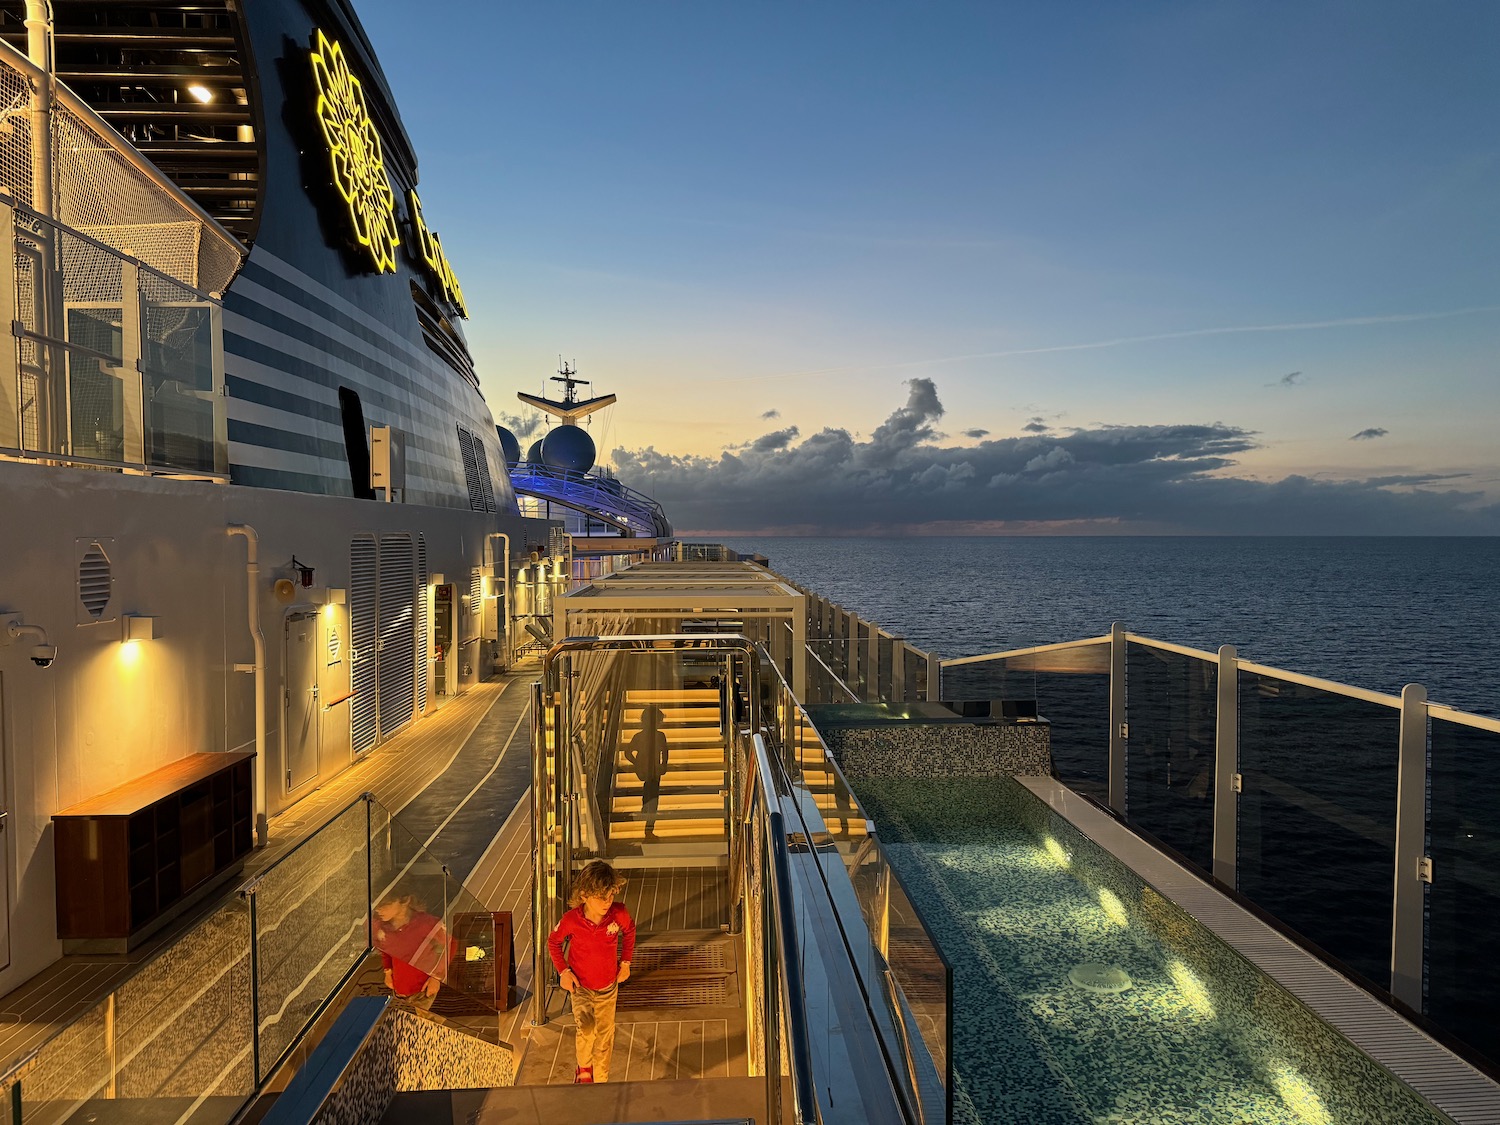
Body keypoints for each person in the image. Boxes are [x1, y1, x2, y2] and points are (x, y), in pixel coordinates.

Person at [547, 859, 636, 1084]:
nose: (607, 902)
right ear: (585, 895)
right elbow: (553, 942)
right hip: (582, 987)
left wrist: (626, 963)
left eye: (610, 896)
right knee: (587, 1028)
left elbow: (630, 931)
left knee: (605, 1036)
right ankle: (584, 1067)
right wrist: (564, 972)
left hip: (608, 988)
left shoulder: (618, 914)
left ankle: (601, 1080)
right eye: (600, 897)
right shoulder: (571, 921)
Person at [372, 893, 448, 1009]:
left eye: (385, 904)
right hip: (398, 993)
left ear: (405, 901)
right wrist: (387, 972)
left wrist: (436, 978)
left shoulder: (425, 923)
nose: (378, 909)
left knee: (427, 1025)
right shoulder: (384, 926)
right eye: (377, 904)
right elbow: (386, 950)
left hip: (423, 993)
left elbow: (451, 944)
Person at [623, 704, 670, 836]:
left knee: (651, 790)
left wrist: (636, 762)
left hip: (651, 768)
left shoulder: (642, 736)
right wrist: (638, 763)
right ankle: (649, 823)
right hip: (650, 768)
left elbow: (628, 752)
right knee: (653, 793)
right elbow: (665, 752)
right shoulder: (657, 736)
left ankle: (647, 812)